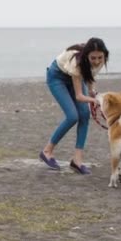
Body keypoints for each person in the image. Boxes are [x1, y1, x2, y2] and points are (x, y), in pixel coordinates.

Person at [39, 37, 109, 174]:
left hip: (76, 78)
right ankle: (47, 151)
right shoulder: (77, 62)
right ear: (87, 55)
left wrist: (92, 91)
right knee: (72, 116)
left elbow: (90, 75)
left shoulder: (101, 59)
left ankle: (77, 160)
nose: (97, 61)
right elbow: (79, 96)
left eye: (100, 58)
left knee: (84, 115)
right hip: (57, 77)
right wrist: (96, 101)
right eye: (93, 58)